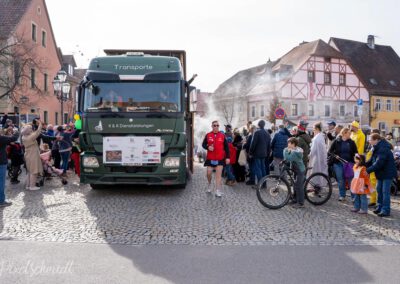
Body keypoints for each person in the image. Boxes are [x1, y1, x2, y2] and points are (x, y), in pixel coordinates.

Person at [366, 133, 397, 217]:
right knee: (379, 190)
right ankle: (379, 207)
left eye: (370, 140)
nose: (369, 141)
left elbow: (379, 163)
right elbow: (371, 160)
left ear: (376, 140)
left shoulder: (383, 148)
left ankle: (386, 210)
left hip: (387, 173)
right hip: (381, 173)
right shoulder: (376, 147)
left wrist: (367, 171)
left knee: (385, 192)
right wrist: (363, 165)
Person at [328, 127, 358, 201]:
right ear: (344, 133)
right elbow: (330, 152)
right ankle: (342, 195)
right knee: (341, 180)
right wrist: (335, 156)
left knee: (351, 179)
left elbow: (356, 153)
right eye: (349, 133)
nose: (350, 135)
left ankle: (353, 196)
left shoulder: (352, 142)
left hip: (349, 164)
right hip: (338, 163)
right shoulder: (337, 141)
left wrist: (357, 161)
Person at [202, 121, 230, 197]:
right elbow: (203, 144)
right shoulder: (208, 135)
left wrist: (227, 157)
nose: (216, 127)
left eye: (217, 125)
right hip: (210, 158)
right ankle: (209, 184)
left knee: (218, 175)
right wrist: (208, 147)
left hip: (220, 158)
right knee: (209, 173)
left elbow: (227, 147)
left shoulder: (222, 135)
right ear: (212, 126)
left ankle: (217, 190)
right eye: (214, 125)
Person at [283, 137, 305, 208]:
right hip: (295, 170)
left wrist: (285, 151)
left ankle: (301, 203)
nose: (287, 145)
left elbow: (288, 158)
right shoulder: (293, 150)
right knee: (295, 185)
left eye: (289, 143)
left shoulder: (296, 152)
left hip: (300, 171)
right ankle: (295, 199)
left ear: (293, 144)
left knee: (299, 186)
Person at [21, 122, 43, 190]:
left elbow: (33, 132)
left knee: (30, 171)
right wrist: (40, 124)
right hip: (33, 154)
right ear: (27, 131)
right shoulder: (31, 137)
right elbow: (38, 132)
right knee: (34, 171)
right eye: (30, 129)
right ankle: (32, 186)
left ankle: (28, 185)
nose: (31, 129)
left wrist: (28, 124)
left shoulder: (24, 136)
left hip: (28, 154)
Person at [0, 127, 19, 207]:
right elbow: (14, 138)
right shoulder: (1, 138)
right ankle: (1, 201)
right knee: (1, 182)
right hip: (1, 162)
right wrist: (16, 131)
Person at [249, 120, 271, 185]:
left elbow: (253, 144)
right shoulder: (267, 133)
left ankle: (260, 184)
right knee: (263, 168)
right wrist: (268, 152)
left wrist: (250, 152)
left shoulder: (257, 132)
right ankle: (264, 184)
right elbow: (269, 144)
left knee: (258, 169)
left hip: (257, 153)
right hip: (264, 153)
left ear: (258, 125)